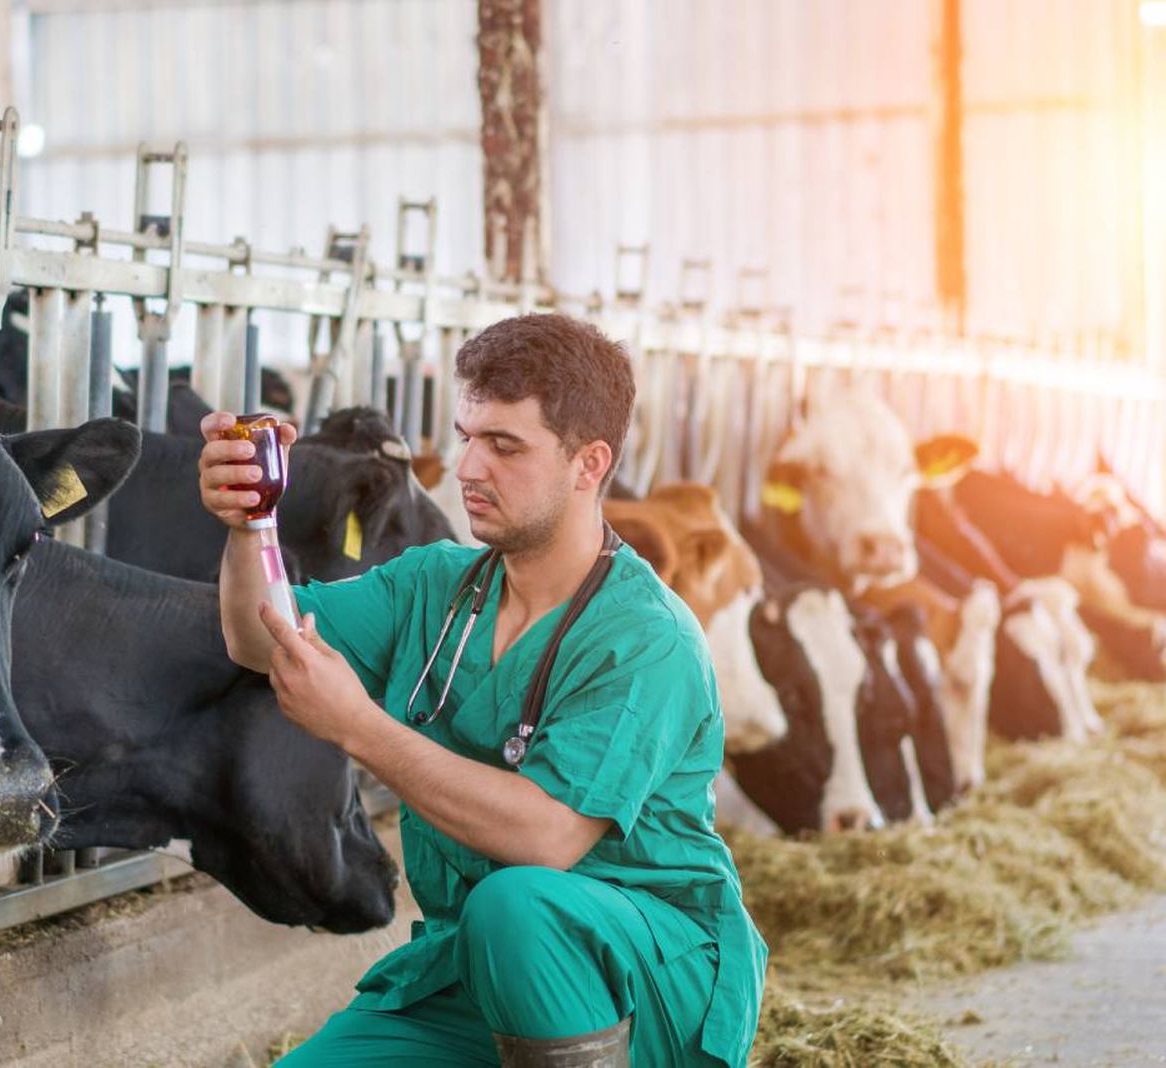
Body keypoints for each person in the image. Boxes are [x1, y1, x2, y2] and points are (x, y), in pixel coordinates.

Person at [197, 314, 767, 1067]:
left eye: (505, 445)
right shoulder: (435, 587)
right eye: (467, 436)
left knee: (516, 903)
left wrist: (360, 728)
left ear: (589, 464)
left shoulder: (645, 636)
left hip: (648, 983)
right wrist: (251, 523)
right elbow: (262, 639)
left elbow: (546, 838)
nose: (468, 467)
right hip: (478, 966)